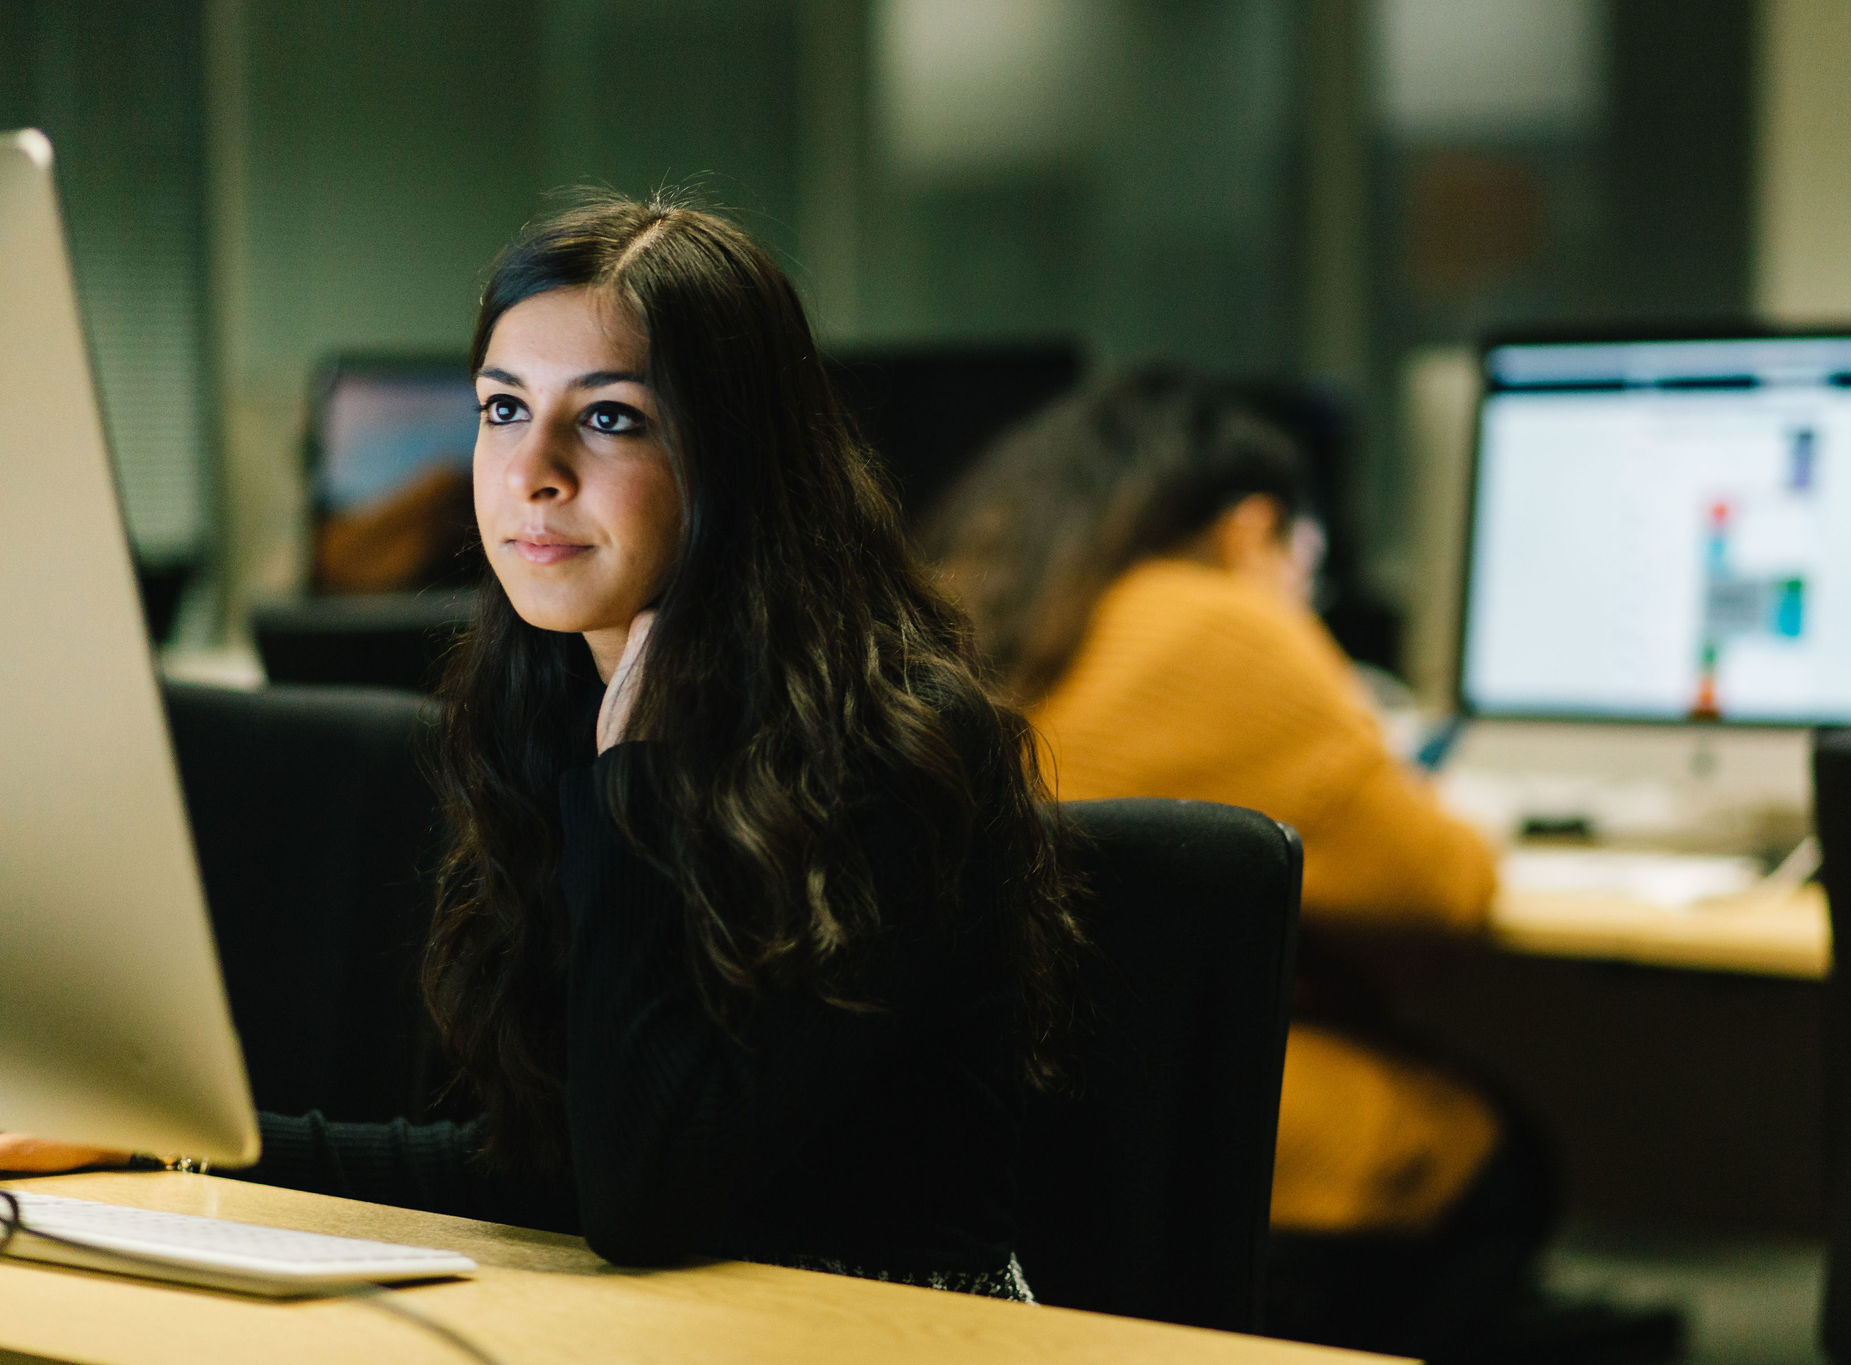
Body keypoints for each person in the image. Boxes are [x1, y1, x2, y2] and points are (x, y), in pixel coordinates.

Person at [0, 195, 1081, 1300]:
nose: (533, 470)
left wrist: (634, 788)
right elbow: (542, 1170)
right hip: (660, 1319)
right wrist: (154, 1147)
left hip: (893, 1331)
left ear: (737, 459)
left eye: (608, 419)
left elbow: (642, 1199)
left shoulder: (886, 747)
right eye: (502, 409)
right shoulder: (550, 699)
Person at [926, 370, 1560, 1353]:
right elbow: (1441, 893)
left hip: (1002, 1142)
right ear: (1253, 531)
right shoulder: (1215, 618)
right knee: (1504, 1152)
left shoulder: (990, 605)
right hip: (1189, 1137)